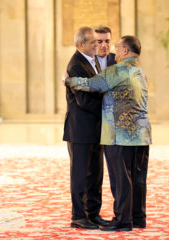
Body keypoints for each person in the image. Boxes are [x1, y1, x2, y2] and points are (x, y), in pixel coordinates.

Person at [64, 35, 152, 232]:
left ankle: (122, 220)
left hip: (120, 134)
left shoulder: (118, 71)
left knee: (121, 179)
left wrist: (68, 80)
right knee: (137, 178)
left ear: (126, 52)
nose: (114, 50)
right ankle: (138, 217)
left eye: (118, 47)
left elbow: (91, 84)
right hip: (142, 133)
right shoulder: (139, 72)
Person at [63, 26, 109, 229]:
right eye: (93, 42)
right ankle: (79, 217)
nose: (97, 45)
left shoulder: (95, 61)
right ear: (81, 44)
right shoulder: (76, 65)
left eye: (98, 42)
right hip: (80, 130)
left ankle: (93, 213)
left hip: (95, 129)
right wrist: (108, 109)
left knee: (95, 174)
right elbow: (83, 100)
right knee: (81, 176)